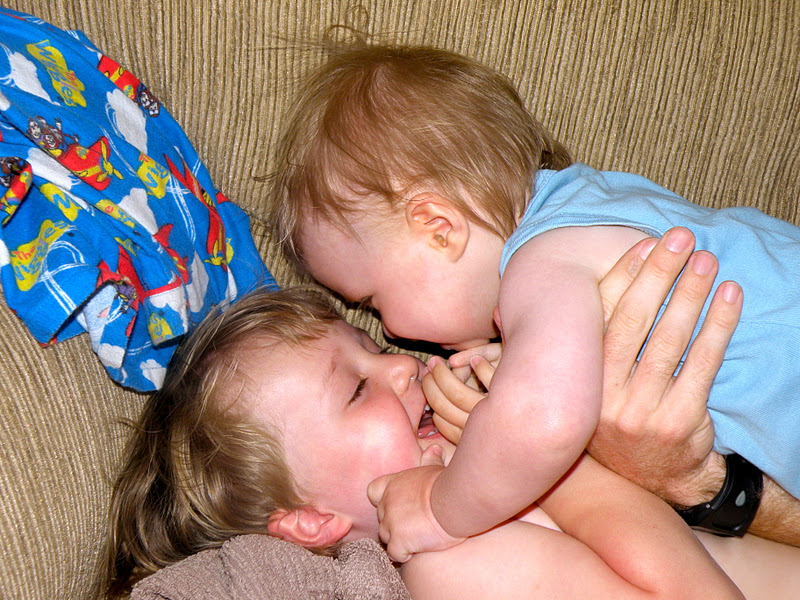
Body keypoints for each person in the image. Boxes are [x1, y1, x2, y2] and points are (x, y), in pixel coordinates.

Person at [268, 42, 800, 558]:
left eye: (373, 302)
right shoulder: (591, 200)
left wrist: (438, 508)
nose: (390, 332)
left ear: (438, 228)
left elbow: (546, 421)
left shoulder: (540, 262)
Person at [103, 281, 800, 600]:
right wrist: (556, 459)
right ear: (311, 520)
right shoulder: (456, 568)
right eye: (356, 390)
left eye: (376, 347)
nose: (404, 366)